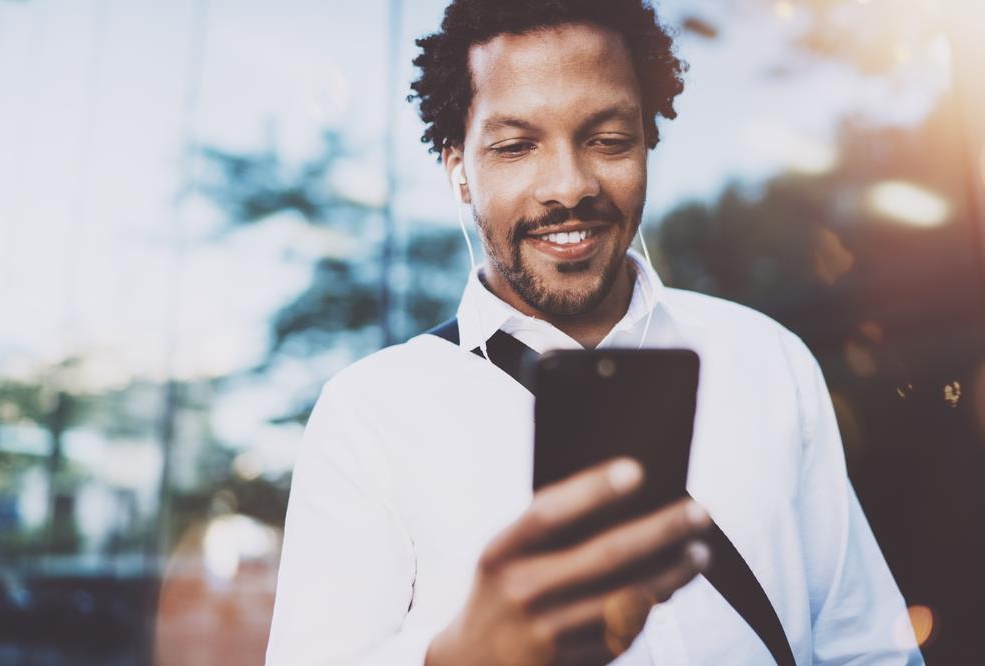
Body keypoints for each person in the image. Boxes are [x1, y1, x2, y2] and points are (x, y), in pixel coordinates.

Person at [265, 1, 923, 664]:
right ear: (457, 168)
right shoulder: (370, 415)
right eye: (515, 145)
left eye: (608, 139)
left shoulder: (769, 360)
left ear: (647, 143)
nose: (569, 185)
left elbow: (868, 649)